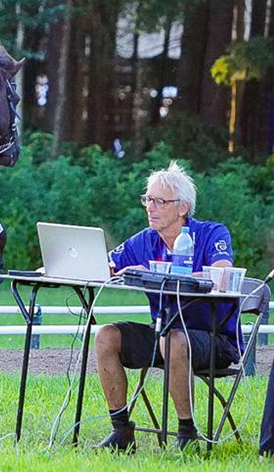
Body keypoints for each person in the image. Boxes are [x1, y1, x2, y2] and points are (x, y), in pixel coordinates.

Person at [94, 161, 239, 452]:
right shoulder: (144, 240)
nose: (150, 207)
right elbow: (104, 264)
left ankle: (187, 433)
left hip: (213, 339)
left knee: (172, 339)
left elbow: (222, 274)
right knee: (106, 336)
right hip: (164, 333)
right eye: (147, 199)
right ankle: (122, 431)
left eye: (159, 201)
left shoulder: (212, 233)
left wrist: (156, 274)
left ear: (182, 208)